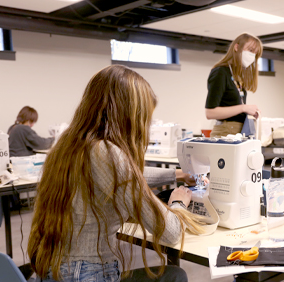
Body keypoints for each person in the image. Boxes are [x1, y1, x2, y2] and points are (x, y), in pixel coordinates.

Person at [27, 65, 204, 282]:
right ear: (130, 115)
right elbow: (171, 232)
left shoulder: (70, 144)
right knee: (175, 276)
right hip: (87, 274)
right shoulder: (107, 152)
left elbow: (128, 176)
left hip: (54, 270)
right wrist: (178, 202)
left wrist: (177, 175)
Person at [205, 33, 263, 137]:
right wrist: (243, 108)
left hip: (237, 132)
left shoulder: (237, 76)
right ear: (237, 47)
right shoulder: (220, 72)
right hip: (225, 132)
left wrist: (249, 112)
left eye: (255, 53)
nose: (252, 56)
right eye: (250, 50)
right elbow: (210, 112)